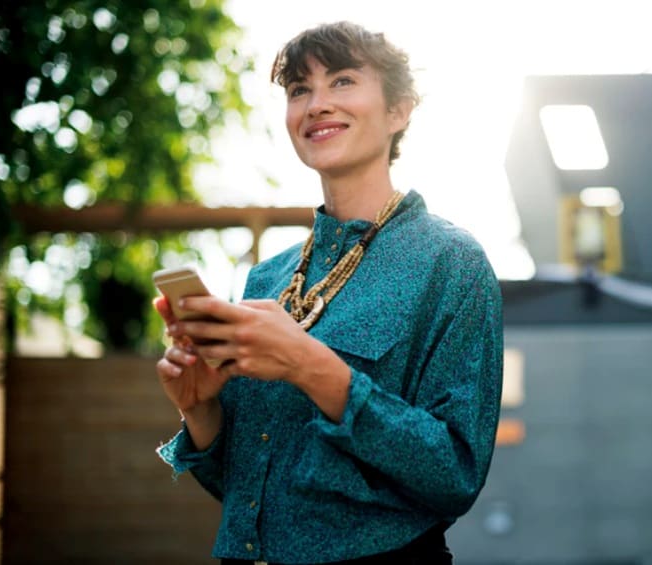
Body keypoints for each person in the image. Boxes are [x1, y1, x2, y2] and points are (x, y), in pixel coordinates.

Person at [154, 21, 503, 565]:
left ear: (399, 110)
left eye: (341, 81)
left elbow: (456, 473)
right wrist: (199, 411)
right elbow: (245, 492)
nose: (316, 104)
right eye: (299, 89)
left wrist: (309, 365)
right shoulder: (266, 279)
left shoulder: (451, 263)